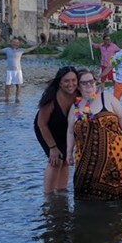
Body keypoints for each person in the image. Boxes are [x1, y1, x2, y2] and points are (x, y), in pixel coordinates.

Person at [66, 69, 122, 200]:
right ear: (78, 86)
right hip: (84, 158)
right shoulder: (75, 107)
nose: (89, 85)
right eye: (84, 83)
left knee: (115, 196)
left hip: (113, 157)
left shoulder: (106, 97)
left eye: (91, 82)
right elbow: (70, 132)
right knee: (84, 193)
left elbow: (121, 118)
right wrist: (68, 153)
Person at [34, 66, 79, 194]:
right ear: (59, 82)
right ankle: (48, 196)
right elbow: (42, 124)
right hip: (46, 127)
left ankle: (61, 191)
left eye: (73, 80)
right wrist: (52, 147)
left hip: (66, 128)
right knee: (55, 160)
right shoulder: (51, 98)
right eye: (66, 81)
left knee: (65, 159)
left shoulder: (79, 94)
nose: (71, 84)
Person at [0, 37, 39, 102]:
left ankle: (17, 99)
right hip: (9, 71)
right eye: (14, 42)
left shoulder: (21, 50)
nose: (15, 44)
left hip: (18, 71)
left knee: (18, 85)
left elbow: (30, 49)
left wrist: (38, 45)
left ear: (18, 44)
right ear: (11, 43)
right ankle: (6, 99)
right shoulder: (7, 49)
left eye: (17, 42)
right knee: (7, 86)